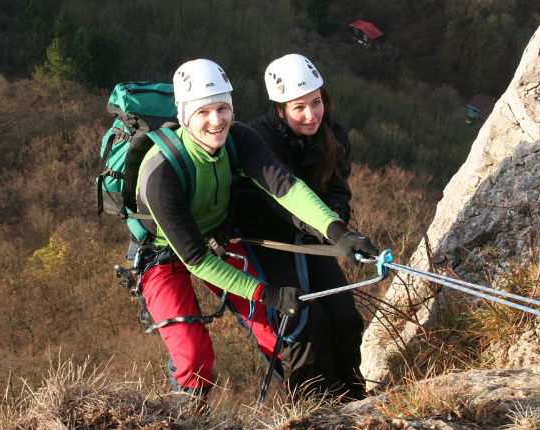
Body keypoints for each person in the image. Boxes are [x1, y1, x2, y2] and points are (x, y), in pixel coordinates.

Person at [131, 58, 378, 409]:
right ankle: (186, 421)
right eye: (203, 112)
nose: (216, 121)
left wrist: (337, 232)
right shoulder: (161, 172)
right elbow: (196, 259)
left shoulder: (239, 138)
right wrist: (267, 291)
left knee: (279, 325)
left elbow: (286, 188)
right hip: (164, 253)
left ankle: (314, 405)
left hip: (217, 240)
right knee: (193, 354)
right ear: (185, 115)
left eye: (222, 108)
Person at [233, 54, 367, 401]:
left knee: (344, 316)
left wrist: (337, 222)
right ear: (280, 109)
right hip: (265, 238)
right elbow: (278, 197)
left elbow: (337, 186)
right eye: (299, 107)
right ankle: (315, 408)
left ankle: (352, 398)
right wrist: (327, 229)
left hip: (313, 235)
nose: (311, 115)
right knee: (305, 321)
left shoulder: (333, 134)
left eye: (317, 102)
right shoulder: (258, 139)